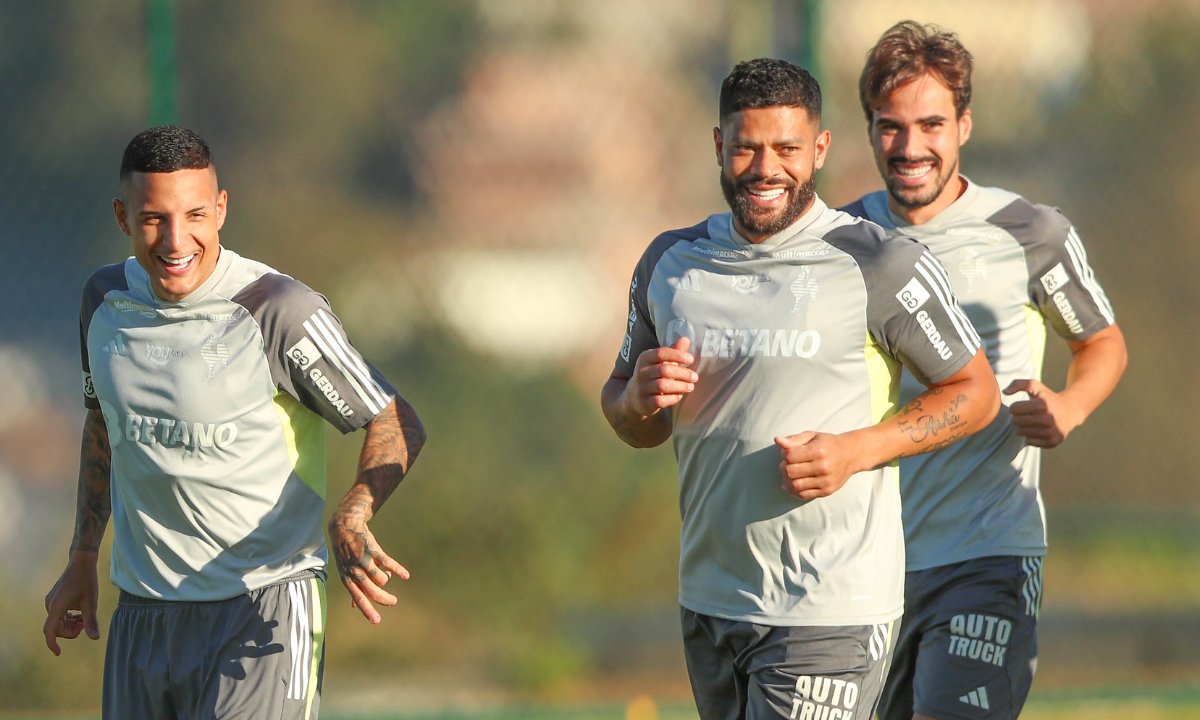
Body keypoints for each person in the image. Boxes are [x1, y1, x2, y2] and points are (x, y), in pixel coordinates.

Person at [600, 58, 1000, 720]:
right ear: (718, 147)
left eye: (786, 148)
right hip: (711, 602)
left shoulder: (877, 262)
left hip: (830, 610)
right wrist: (638, 400)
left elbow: (975, 392)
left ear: (818, 149)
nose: (766, 168)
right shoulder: (670, 264)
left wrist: (858, 450)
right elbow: (631, 420)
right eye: (746, 147)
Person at [42, 125, 427, 719]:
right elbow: (104, 429)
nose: (177, 240)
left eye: (195, 214)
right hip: (143, 616)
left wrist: (353, 511)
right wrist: (81, 557)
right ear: (122, 217)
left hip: (261, 612)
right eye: (153, 219)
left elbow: (395, 418)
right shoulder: (104, 300)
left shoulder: (277, 310)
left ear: (221, 209)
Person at [841, 21, 1128, 720]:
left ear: (964, 124)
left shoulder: (1029, 233)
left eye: (931, 124)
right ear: (869, 128)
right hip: (861, 566)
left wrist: (1070, 407)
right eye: (890, 128)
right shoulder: (839, 242)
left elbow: (1101, 342)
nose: (911, 148)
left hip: (986, 554)